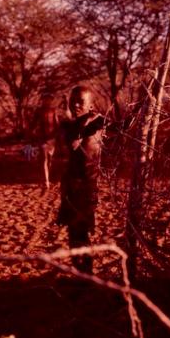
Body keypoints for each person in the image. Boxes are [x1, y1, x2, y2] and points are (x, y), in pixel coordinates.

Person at [56, 85, 105, 274]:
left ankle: (87, 275)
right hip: (70, 187)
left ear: (91, 105)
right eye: (72, 101)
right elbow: (71, 137)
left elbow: (115, 125)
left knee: (81, 231)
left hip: (86, 187)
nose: (75, 104)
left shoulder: (98, 122)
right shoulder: (71, 125)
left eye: (80, 101)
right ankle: (82, 275)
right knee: (74, 233)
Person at [28, 93, 60, 191]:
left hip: (51, 139)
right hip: (42, 138)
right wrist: (31, 132)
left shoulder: (53, 111)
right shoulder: (38, 111)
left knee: (49, 160)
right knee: (44, 160)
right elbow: (33, 124)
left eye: (49, 99)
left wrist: (57, 136)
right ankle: (46, 181)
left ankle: (47, 178)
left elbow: (57, 124)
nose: (47, 101)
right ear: (42, 100)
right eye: (45, 99)